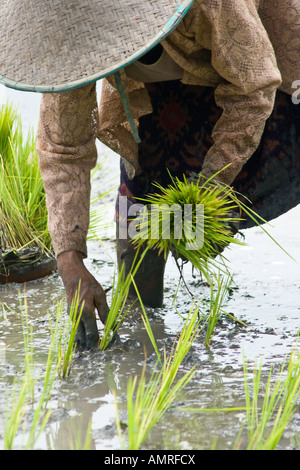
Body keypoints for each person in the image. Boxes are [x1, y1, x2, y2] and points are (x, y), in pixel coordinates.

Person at [1, 0, 299, 350]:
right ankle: (140, 348)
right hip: (159, 104)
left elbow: (254, 87)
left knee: (198, 219)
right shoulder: (72, 30)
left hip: (264, 83)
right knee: (139, 221)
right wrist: (69, 262)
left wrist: (207, 193)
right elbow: (64, 146)